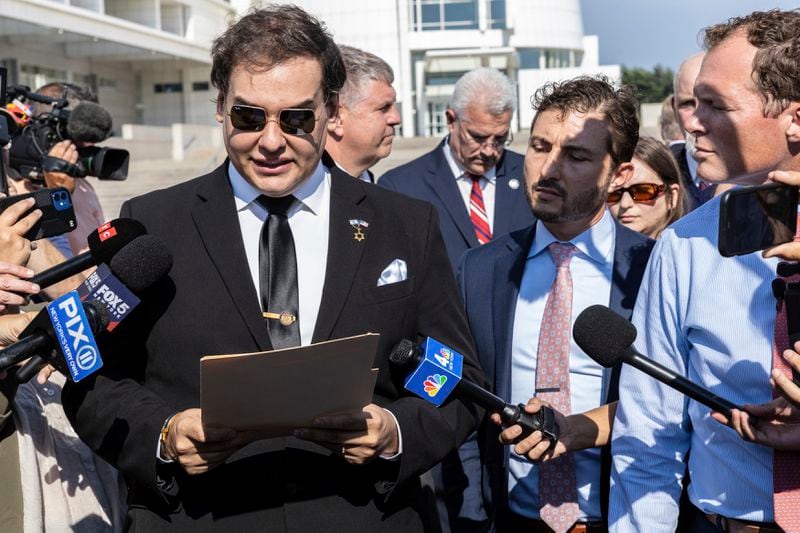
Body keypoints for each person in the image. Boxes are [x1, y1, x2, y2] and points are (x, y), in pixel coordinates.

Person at [62, 5, 483, 531]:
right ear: (220, 107)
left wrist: (397, 431)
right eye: (248, 116)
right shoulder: (151, 223)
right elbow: (92, 380)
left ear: (332, 111)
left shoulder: (405, 225)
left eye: (297, 117)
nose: (270, 140)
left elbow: (458, 380)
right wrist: (165, 436)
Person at [610, 9, 800, 533]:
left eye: (715, 104)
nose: (693, 121)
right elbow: (647, 432)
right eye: (694, 103)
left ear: (795, 118)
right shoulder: (685, 246)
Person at [458, 75, 653, 532]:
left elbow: (673, 408)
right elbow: (463, 399)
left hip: (624, 516)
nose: (548, 168)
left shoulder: (653, 269)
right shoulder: (481, 269)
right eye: (540, 146)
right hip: (510, 520)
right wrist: (474, 512)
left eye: (576, 155)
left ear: (619, 175)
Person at [379, 67, 533, 272]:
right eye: (478, 137)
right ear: (451, 121)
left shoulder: (531, 176)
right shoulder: (401, 187)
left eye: (500, 139)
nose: (489, 150)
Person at [324, 45, 400, 183]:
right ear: (335, 117)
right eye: (384, 108)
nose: (396, 119)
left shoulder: (371, 184)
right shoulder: (302, 196)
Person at [607, 136, 685, 239]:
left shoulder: (693, 252)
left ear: (672, 196)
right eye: (614, 194)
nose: (625, 204)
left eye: (642, 192)